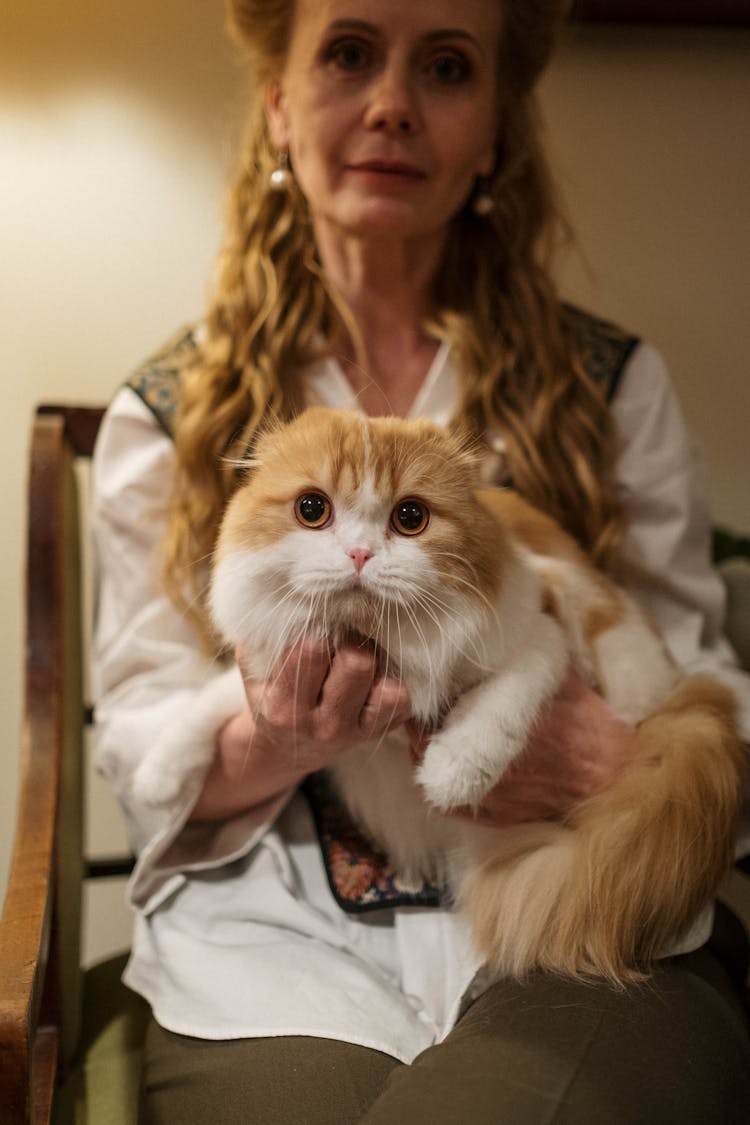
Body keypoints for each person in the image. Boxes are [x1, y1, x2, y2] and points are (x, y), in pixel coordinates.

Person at [91, 0, 750, 1121]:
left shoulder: (611, 384)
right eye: (350, 53)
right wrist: (272, 733)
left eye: (447, 67)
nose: (393, 104)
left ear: (494, 128)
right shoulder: (169, 411)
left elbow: (707, 687)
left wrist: (609, 761)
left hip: (574, 908)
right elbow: (142, 744)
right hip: (275, 953)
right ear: (280, 104)